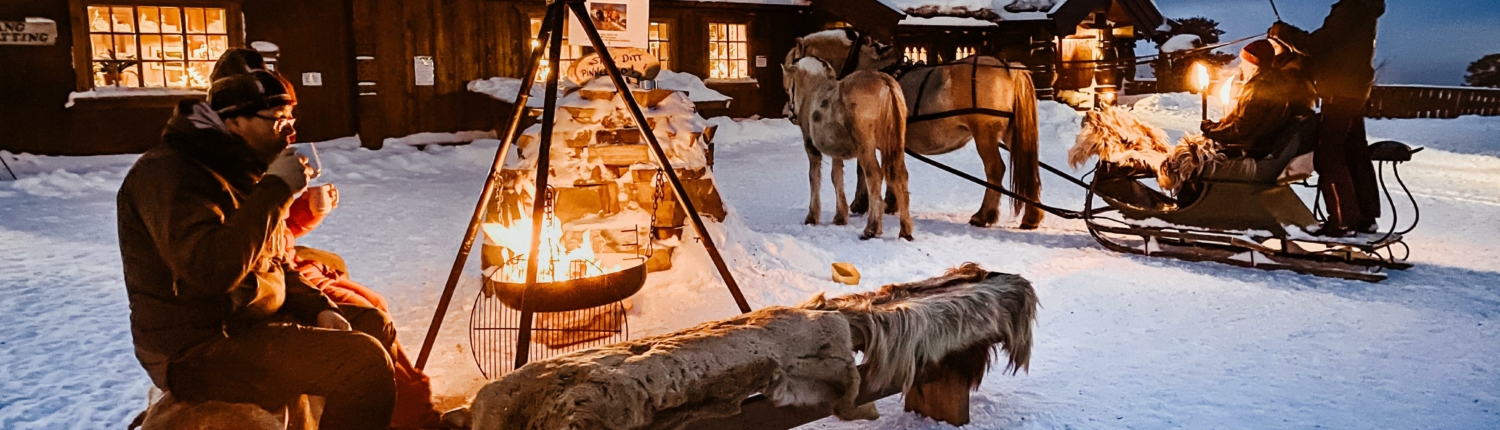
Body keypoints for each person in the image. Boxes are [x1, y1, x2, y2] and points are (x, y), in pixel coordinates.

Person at [117, 69, 397, 430]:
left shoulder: (239, 167)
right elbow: (211, 271)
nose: (291, 131)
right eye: (278, 120)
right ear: (234, 122)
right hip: (196, 345)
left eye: (291, 118)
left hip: (246, 319)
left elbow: (275, 260)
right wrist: (276, 189)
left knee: (373, 323)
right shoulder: (171, 173)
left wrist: (318, 308)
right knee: (361, 362)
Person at [1269, 0, 1386, 235]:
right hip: (1353, 89)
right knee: (1354, 152)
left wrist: (1282, 32)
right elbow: (1334, 49)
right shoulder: (1363, 9)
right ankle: (1365, 217)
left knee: (1329, 155)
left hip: (1340, 91)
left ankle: (1343, 221)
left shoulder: (1351, 8)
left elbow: (1317, 44)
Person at [1200, 40, 1318, 159]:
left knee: (1191, 156)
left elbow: (1241, 129)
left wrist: (1210, 130)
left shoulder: (1258, 89)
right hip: (1258, 146)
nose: (1240, 66)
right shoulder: (1269, 84)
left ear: (1254, 64)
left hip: (1251, 150)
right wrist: (1217, 126)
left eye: (1243, 61)